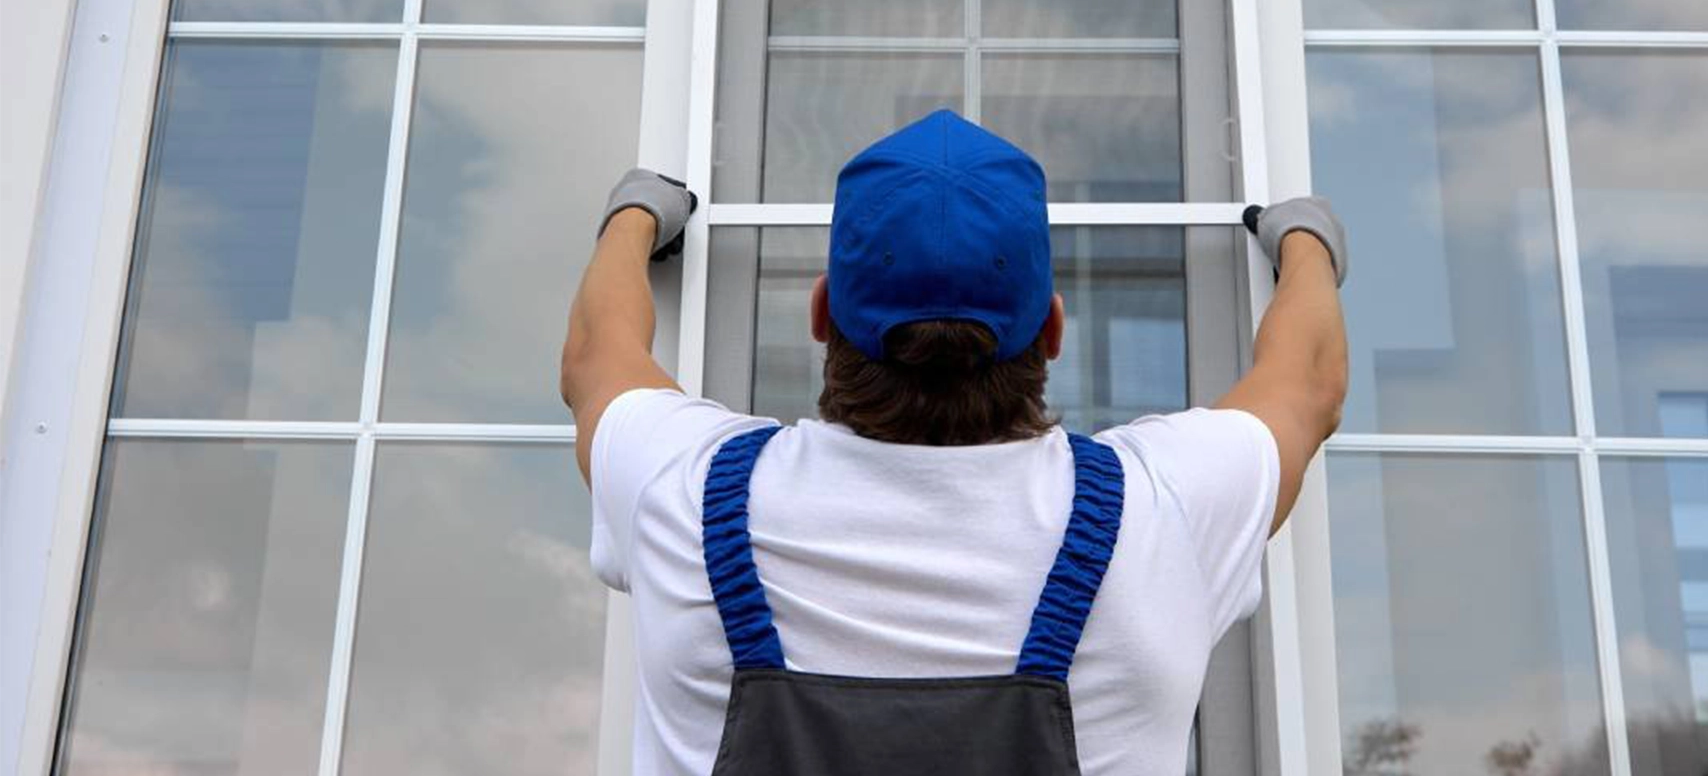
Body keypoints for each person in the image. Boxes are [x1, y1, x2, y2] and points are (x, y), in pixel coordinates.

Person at [560, 109, 1347, 775]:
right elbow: (1306, 382)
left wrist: (636, 216)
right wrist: (1303, 243)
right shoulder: (1159, 510)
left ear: (822, 315)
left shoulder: (690, 494)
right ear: (1052, 328)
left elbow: (598, 356)